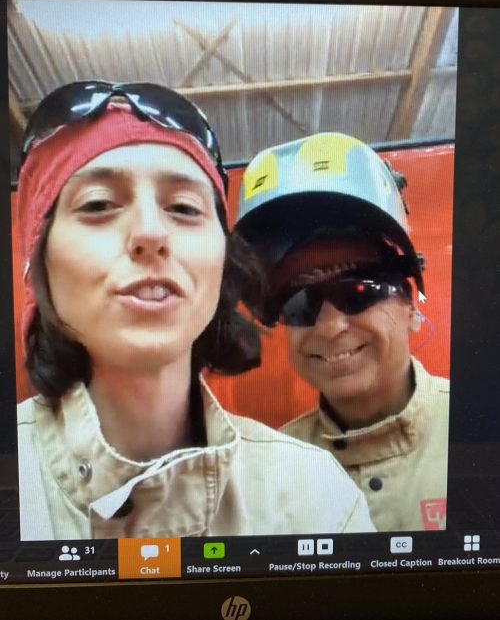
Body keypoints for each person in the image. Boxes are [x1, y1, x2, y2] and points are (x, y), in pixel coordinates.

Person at [15, 82, 374, 540]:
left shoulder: (315, 499)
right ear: (37, 263)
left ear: (223, 266)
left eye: (184, 208)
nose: (150, 232)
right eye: (99, 204)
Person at [235, 132, 450, 532]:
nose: (330, 327)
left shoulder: (481, 431)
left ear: (410, 305)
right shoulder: (267, 473)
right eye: (301, 303)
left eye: (359, 291)